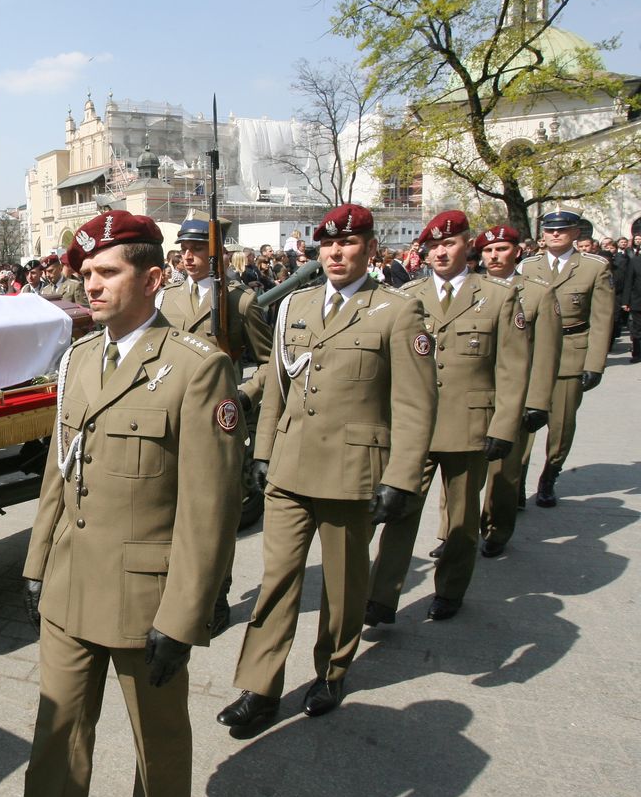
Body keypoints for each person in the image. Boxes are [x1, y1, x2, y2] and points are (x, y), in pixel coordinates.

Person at [22, 210, 244, 797]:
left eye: (107, 272)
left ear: (151, 280)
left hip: (147, 602)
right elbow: (59, 473)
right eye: (87, 272)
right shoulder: (79, 359)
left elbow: (209, 508)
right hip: (70, 586)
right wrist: (37, 565)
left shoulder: (198, 368)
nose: (91, 284)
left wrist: (184, 615)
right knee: (56, 738)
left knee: (160, 743)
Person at [218, 203, 436, 730]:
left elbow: (415, 404)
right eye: (328, 245)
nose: (336, 253)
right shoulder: (296, 306)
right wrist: (263, 452)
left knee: (342, 584)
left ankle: (333, 671)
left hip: (352, 472)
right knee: (277, 580)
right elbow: (277, 389)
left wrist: (401, 479)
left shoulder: (396, 311)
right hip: (290, 468)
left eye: (349, 244)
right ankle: (261, 688)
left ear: (371, 249)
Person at [368, 210, 528, 624]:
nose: (440, 252)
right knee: (399, 510)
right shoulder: (410, 295)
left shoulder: (496, 296)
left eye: (448, 243)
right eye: (433, 246)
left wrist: (504, 425)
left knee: (460, 518)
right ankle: (382, 596)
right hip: (415, 428)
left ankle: (450, 589)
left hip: (470, 425)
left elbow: (512, 367)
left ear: (467, 245)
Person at [155, 217, 274, 635]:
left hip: (221, 420)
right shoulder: (165, 300)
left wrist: (244, 396)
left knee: (217, 513)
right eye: (184, 248)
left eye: (198, 248)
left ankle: (217, 595)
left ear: (217, 253)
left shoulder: (240, 301)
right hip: (173, 416)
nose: (189, 256)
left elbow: (269, 363)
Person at [474, 224, 561, 556]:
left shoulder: (538, 293)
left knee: (504, 471)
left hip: (516, 394)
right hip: (475, 392)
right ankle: (454, 533)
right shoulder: (471, 290)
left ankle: (497, 528)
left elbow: (546, 352)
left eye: (502, 249)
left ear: (517, 252)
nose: (495, 256)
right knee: (464, 473)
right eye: (488, 251)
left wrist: (537, 401)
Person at [519, 208, 616, 506]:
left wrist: (594, 364)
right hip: (532, 356)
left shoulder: (594, 268)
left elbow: (602, 319)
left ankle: (550, 474)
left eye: (562, 229)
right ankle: (516, 484)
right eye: (549, 230)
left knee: (561, 424)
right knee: (523, 423)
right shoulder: (527, 267)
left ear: (576, 233)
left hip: (570, 354)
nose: (555, 234)